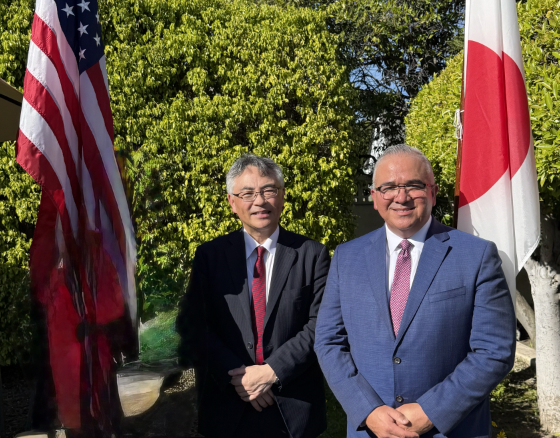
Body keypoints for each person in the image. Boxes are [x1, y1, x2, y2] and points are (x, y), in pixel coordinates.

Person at [314, 145, 516, 438]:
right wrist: (367, 410)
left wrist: (432, 411)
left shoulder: (476, 255)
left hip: (450, 430)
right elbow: (329, 342)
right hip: (371, 430)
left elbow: (494, 349)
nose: (401, 197)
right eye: (388, 188)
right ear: (374, 197)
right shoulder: (347, 257)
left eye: (414, 186)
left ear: (433, 193)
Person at [176, 154, 329, 438]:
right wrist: (241, 377)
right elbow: (194, 324)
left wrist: (271, 372)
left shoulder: (312, 254)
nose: (259, 201)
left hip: (292, 409)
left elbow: (321, 325)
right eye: (247, 193)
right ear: (232, 202)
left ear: (282, 196)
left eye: (269, 190)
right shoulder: (210, 256)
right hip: (227, 405)